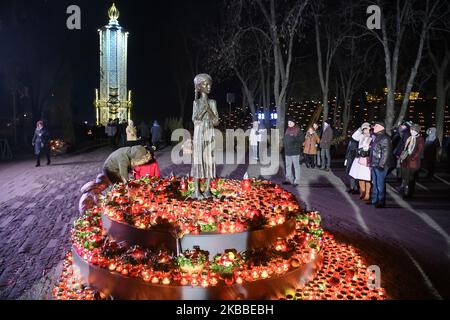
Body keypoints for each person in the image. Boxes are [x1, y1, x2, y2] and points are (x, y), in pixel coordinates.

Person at [191, 73, 219, 199]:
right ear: (199, 87)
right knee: (198, 159)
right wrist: (203, 110)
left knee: (209, 158)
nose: (208, 87)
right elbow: (195, 120)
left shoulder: (213, 102)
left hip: (209, 131)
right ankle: (196, 190)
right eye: (205, 84)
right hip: (199, 132)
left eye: (209, 84)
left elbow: (216, 121)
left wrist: (210, 111)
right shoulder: (196, 102)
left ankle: (207, 189)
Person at [368, 121, 395, 208]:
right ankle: (374, 200)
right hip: (375, 163)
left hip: (380, 165)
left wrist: (381, 165)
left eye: (376, 126)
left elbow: (386, 153)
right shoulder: (378, 137)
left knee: (380, 183)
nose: (374, 127)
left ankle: (381, 201)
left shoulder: (385, 138)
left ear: (381, 127)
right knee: (375, 183)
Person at [399, 124, 424, 198]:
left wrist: (412, 157)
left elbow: (419, 151)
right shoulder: (409, 138)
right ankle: (404, 192)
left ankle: (409, 193)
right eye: (411, 130)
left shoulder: (420, 139)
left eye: (414, 130)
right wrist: (403, 156)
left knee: (411, 179)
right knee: (405, 178)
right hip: (405, 161)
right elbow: (405, 148)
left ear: (417, 131)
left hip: (413, 162)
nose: (412, 131)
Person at [349, 123, 372, 201]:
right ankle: (362, 192)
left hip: (367, 160)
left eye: (367, 128)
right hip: (359, 159)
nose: (365, 130)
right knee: (360, 177)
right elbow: (354, 136)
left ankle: (367, 194)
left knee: (367, 178)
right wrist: (360, 128)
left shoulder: (371, 137)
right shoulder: (361, 136)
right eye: (364, 129)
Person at [283, 118, 304, 186]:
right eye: (288, 122)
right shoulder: (287, 130)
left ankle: (297, 180)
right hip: (287, 151)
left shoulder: (298, 130)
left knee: (296, 166)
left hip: (295, 152)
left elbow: (301, 140)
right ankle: (288, 179)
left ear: (293, 123)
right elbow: (285, 139)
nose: (288, 123)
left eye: (290, 122)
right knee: (288, 166)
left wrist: (294, 142)